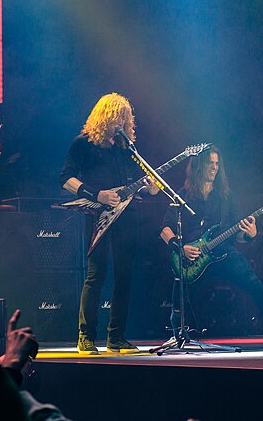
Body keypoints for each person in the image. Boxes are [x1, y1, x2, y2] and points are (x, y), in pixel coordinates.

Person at [159, 146, 263, 349]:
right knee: (180, 291)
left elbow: (239, 235)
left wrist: (250, 234)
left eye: (217, 163)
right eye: (210, 163)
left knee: (255, 286)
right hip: (192, 258)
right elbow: (164, 228)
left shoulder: (226, 197)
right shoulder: (183, 195)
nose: (214, 167)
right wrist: (180, 248)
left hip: (223, 254)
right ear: (199, 166)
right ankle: (177, 335)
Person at [60, 93, 158, 355]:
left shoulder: (127, 149)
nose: (120, 123)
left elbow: (143, 185)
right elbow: (65, 179)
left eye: (125, 118)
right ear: (104, 117)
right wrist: (97, 194)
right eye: (116, 117)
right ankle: (86, 337)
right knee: (96, 275)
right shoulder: (84, 144)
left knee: (124, 277)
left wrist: (151, 188)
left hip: (128, 217)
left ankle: (116, 338)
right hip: (98, 217)